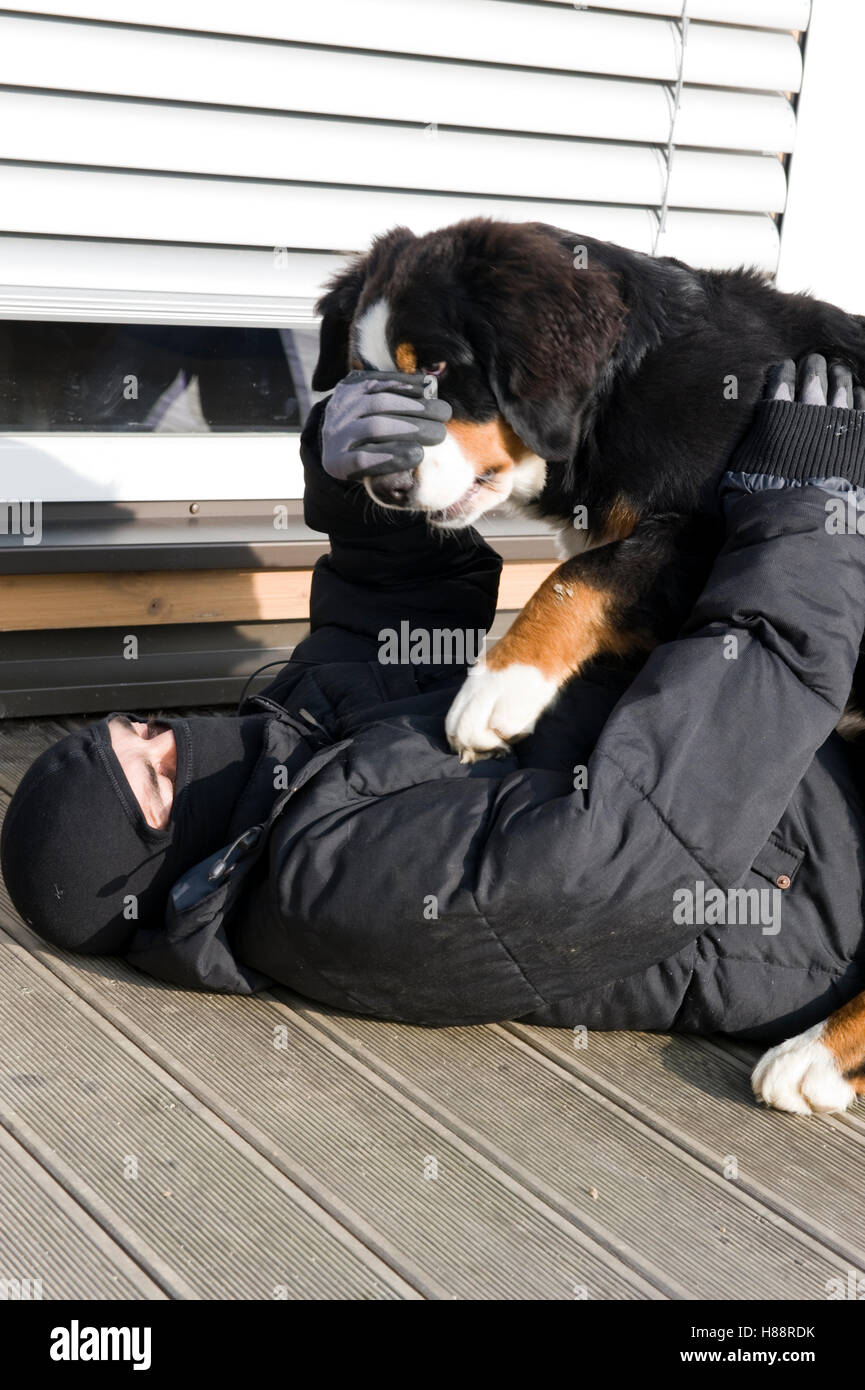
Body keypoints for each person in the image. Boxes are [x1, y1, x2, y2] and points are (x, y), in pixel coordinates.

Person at [3, 355, 865, 1114]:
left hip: (809, 753)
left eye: (139, 730)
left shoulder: (283, 755)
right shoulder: (330, 890)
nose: (168, 743)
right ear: (161, 874)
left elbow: (387, 609)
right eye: (152, 779)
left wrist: (356, 477)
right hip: (814, 877)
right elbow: (645, 840)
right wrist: (802, 525)